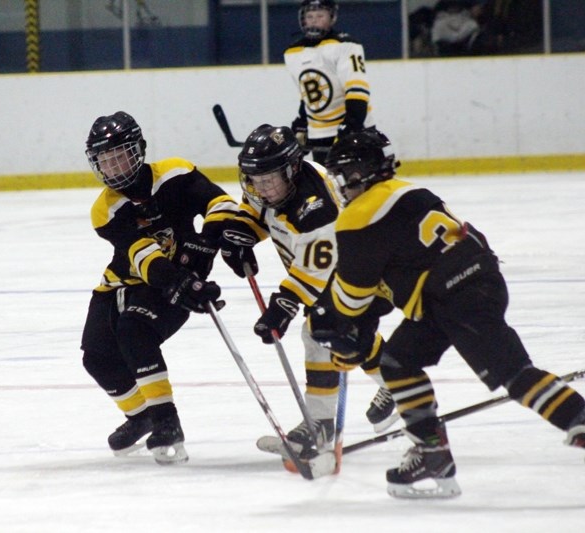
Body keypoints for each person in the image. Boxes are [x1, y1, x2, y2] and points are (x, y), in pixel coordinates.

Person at [313, 126, 585, 498]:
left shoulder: (360, 214)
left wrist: (337, 323)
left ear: (359, 172)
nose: (340, 186)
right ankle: (432, 452)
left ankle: (578, 417)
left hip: (457, 296)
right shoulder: (410, 191)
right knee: (397, 361)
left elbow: (353, 296)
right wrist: (358, 322)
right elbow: (400, 270)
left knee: (515, 373)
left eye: (341, 176)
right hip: (460, 288)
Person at [218, 123, 396, 465]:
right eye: (256, 180)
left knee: (319, 333)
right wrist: (242, 235)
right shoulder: (270, 183)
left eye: (269, 180)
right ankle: (398, 381)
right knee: (342, 336)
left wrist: (283, 305)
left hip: (354, 271)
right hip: (328, 270)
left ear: (291, 170)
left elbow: (316, 268)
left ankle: (321, 424)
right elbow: (257, 211)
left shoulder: (317, 208)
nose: (262, 188)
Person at [81, 111, 237, 465]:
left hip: (166, 281)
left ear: (139, 150)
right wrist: (182, 283)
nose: (113, 167)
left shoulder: (175, 173)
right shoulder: (105, 210)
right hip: (128, 282)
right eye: (105, 160)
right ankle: (142, 417)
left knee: (135, 331)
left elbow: (222, 204)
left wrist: (206, 245)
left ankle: (167, 423)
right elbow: (142, 255)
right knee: (97, 357)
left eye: (119, 155)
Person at [284, 0, 374, 165]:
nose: (314, 20)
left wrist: (352, 125)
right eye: (309, 16)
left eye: (320, 15)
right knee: (328, 188)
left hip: (356, 129)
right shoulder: (292, 52)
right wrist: (302, 124)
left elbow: (357, 90)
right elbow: (309, 96)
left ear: (332, 18)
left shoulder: (346, 45)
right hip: (319, 135)